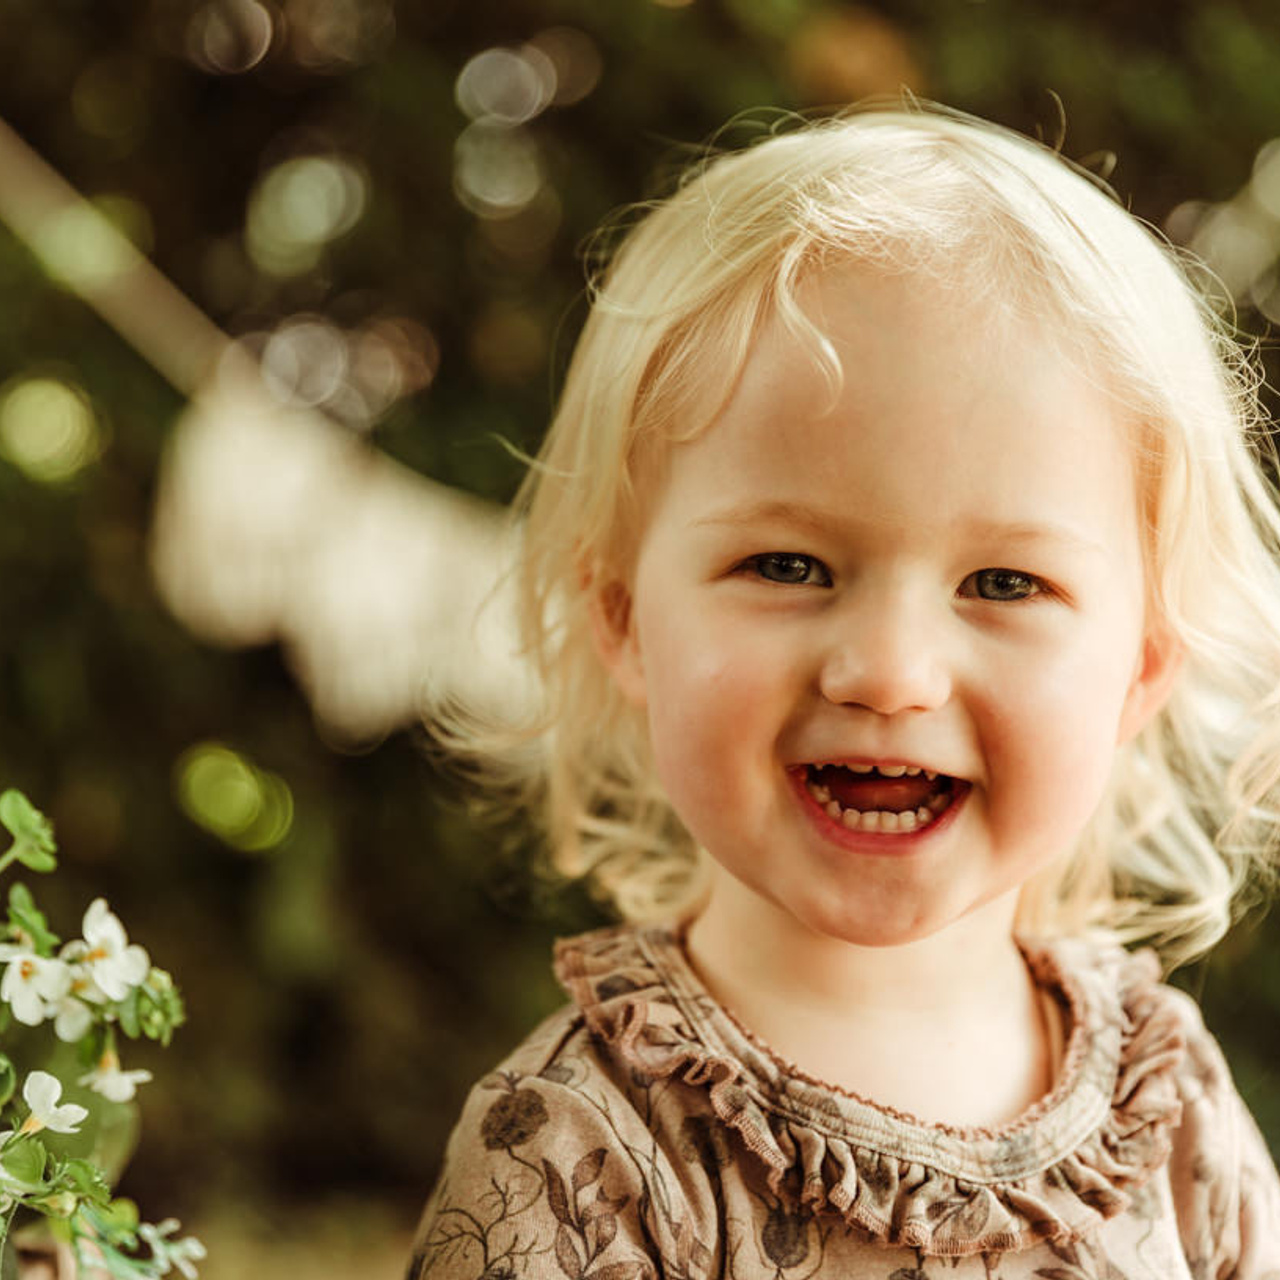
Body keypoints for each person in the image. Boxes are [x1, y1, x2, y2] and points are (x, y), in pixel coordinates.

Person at [406, 104, 1280, 1277]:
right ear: (621, 617)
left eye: (1003, 580)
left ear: (1138, 666)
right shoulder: (576, 1152)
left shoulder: (1165, 1104)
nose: (887, 671)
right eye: (785, 565)